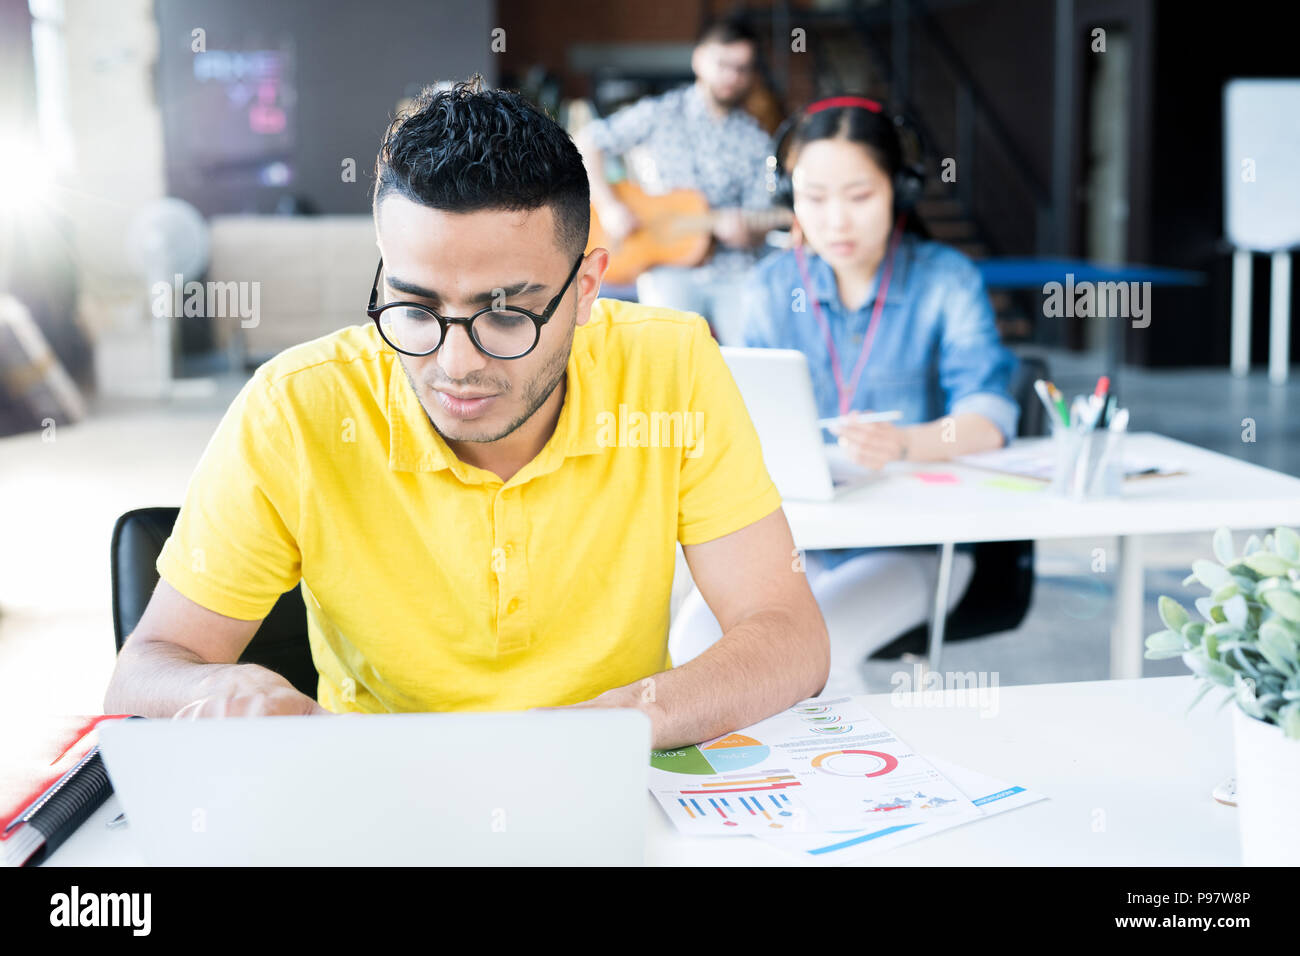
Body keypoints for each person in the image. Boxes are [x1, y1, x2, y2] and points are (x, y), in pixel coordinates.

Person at [104, 77, 829, 749]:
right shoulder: (295, 407)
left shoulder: (670, 366)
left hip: (607, 773)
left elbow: (789, 634)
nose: (455, 365)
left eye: (507, 314)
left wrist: (607, 729)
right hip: (377, 791)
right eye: (415, 307)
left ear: (585, 290)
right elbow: (146, 669)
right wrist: (218, 686)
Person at [669, 96, 1020, 697]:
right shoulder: (771, 287)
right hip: (799, 541)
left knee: (810, 651)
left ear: (898, 192)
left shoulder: (945, 279)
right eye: (815, 197)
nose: (836, 221)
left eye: (859, 197)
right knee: (694, 642)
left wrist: (908, 443)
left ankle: (863, 787)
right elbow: (732, 416)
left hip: (919, 547)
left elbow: (990, 417)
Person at [575, 17, 779, 345]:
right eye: (724, 64)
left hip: (734, 270)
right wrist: (610, 207)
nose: (732, 76)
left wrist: (747, 232)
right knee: (663, 357)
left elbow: (760, 215)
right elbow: (589, 142)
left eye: (742, 68)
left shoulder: (757, 139)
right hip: (666, 265)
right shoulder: (660, 113)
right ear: (699, 59)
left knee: (751, 354)